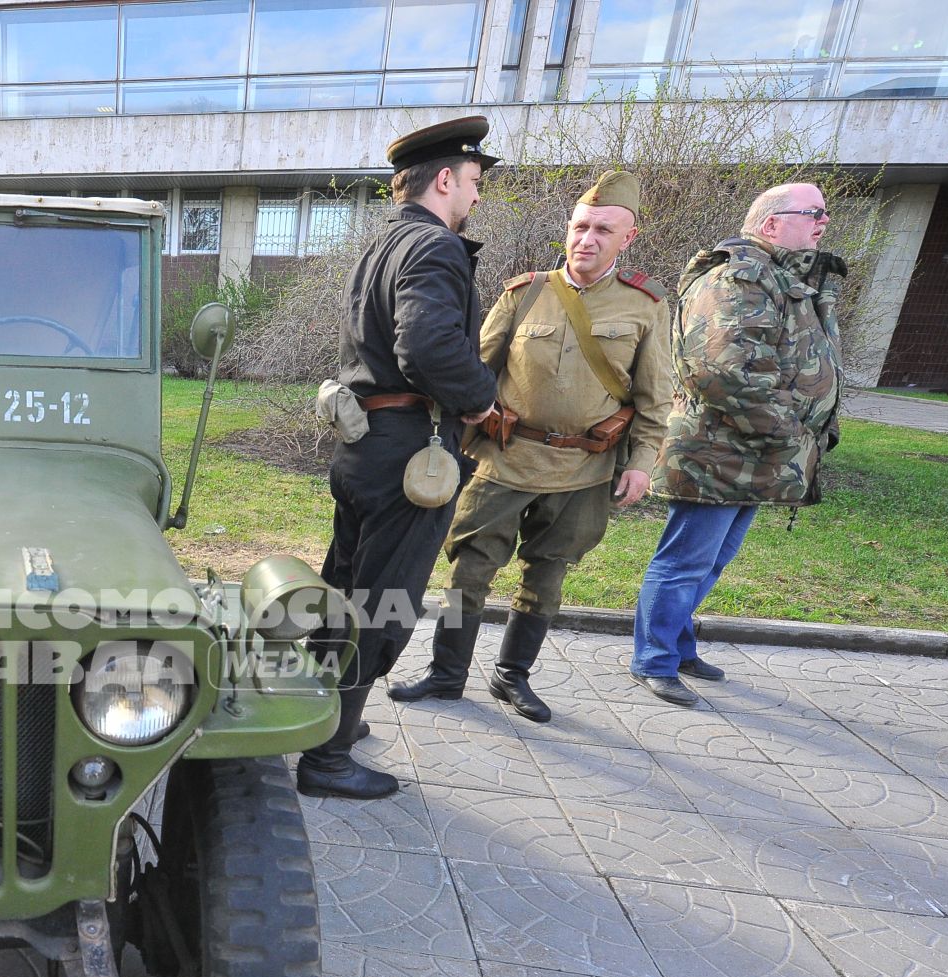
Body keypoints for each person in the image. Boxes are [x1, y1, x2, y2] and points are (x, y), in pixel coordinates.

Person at [390, 170, 670, 723]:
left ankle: (511, 676)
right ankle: (446, 674)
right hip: (504, 458)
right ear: (568, 229)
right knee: (469, 570)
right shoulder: (526, 292)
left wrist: (641, 464)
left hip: (583, 470)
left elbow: (653, 397)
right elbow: (474, 369)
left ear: (627, 238)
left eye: (603, 230)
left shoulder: (645, 306)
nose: (587, 239)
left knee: (548, 575)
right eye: (581, 226)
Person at [298, 116, 499, 800]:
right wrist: (479, 400)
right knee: (380, 603)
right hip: (408, 455)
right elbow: (427, 349)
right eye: (472, 183)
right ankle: (326, 757)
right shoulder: (434, 248)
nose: (474, 197)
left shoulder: (383, 245)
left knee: (346, 589)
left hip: (366, 447)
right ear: (443, 179)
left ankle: (327, 723)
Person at [629, 181, 845, 705]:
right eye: (812, 213)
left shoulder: (782, 276)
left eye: (824, 213)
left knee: (712, 559)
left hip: (754, 454)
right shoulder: (740, 276)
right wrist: (787, 432)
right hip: (719, 452)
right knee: (685, 560)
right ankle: (652, 659)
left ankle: (677, 645)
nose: (823, 223)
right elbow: (723, 369)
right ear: (771, 224)